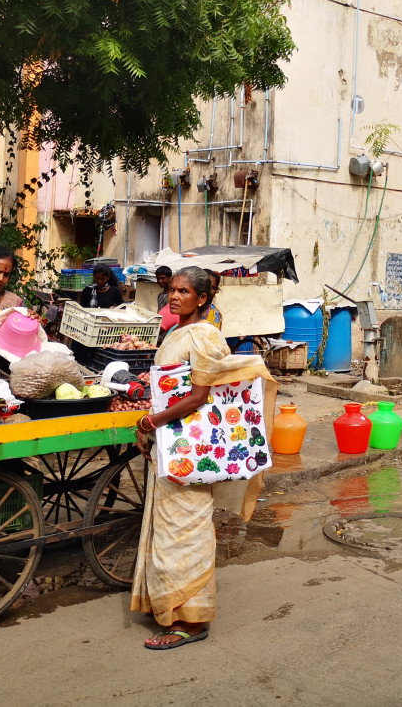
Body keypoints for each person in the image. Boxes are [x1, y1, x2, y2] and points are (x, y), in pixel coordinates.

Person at [131, 266, 276, 650]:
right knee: (166, 528)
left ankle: (192, 622)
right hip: (171, 446)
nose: (173, 296)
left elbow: (198, 397)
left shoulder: (205, 335)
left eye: (183, 291)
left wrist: (149, 421)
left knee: (187, 530)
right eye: (172, 290)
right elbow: (169, 391)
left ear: (203, 299)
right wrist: (152, 429)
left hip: (192, 452)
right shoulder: (176, 332)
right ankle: (168, 604)